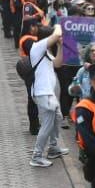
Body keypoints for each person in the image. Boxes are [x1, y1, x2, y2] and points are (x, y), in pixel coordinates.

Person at [26, 22, 65, 168]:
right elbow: (57, 33)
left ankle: (53, 148)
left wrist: (60, 47)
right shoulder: (37, 47)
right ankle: (37, 156)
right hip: (43, 93)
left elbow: (58, 64)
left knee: (57, 119)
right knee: (47, 125)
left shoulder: (46, 52)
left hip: (49, 92)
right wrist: (58, 25)